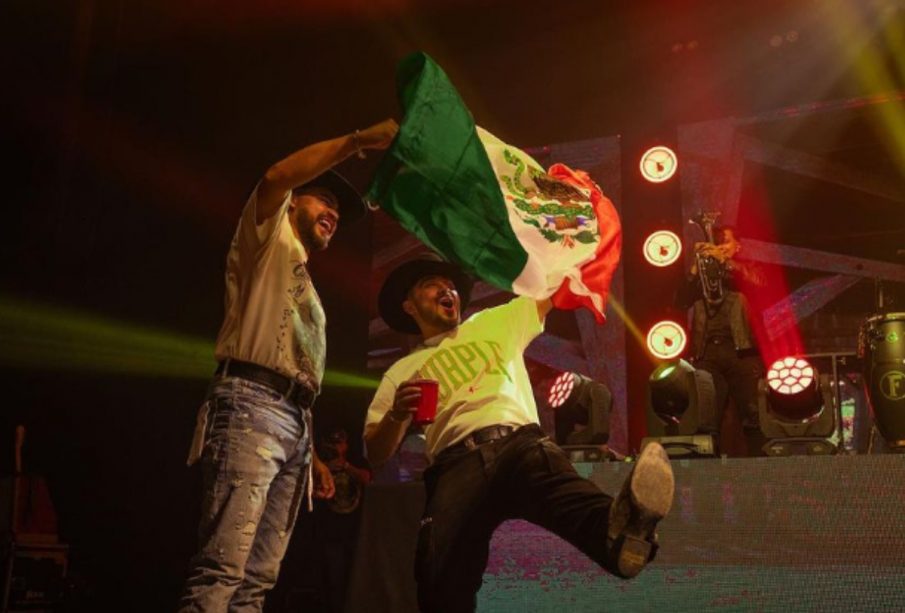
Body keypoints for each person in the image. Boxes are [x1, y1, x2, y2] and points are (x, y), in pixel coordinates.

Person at [363, 255, 675, 613]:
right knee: (438, 578)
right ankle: (619, 533)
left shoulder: (493, 321)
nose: (446, 289)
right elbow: (374, 451)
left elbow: (555, 287)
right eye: (431, 285)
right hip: (455, 465)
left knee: (573, 498)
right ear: (409, 306)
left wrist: (574, 234)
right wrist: (397, 414)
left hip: (518, 442)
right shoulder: (402, 370)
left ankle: (625, 535)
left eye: (449, 285)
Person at [178, 118, 399, 612]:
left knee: (258, 580)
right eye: (326, 201)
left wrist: (313, 453)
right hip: (249, 407)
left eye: (339, 211)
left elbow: (296, 371)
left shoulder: (309, 289)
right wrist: (358, 142)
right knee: (222, 568)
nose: (334, 215)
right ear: (294, 201)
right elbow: (277, 174)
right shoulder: (266, 240)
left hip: (293, 424)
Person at [677, 225, 766, 456]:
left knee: (753, 415)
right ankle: (709, 474)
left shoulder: (748, 268)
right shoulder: (702, 273)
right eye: (714, 243)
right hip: (707, 353)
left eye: (724, 242)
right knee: (706, 419)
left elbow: (758, 284)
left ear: (738, 246)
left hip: (742, 351)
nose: (717, 247)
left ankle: (762, 468)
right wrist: (695, 270)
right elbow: (680, 301)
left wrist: (725, 262)